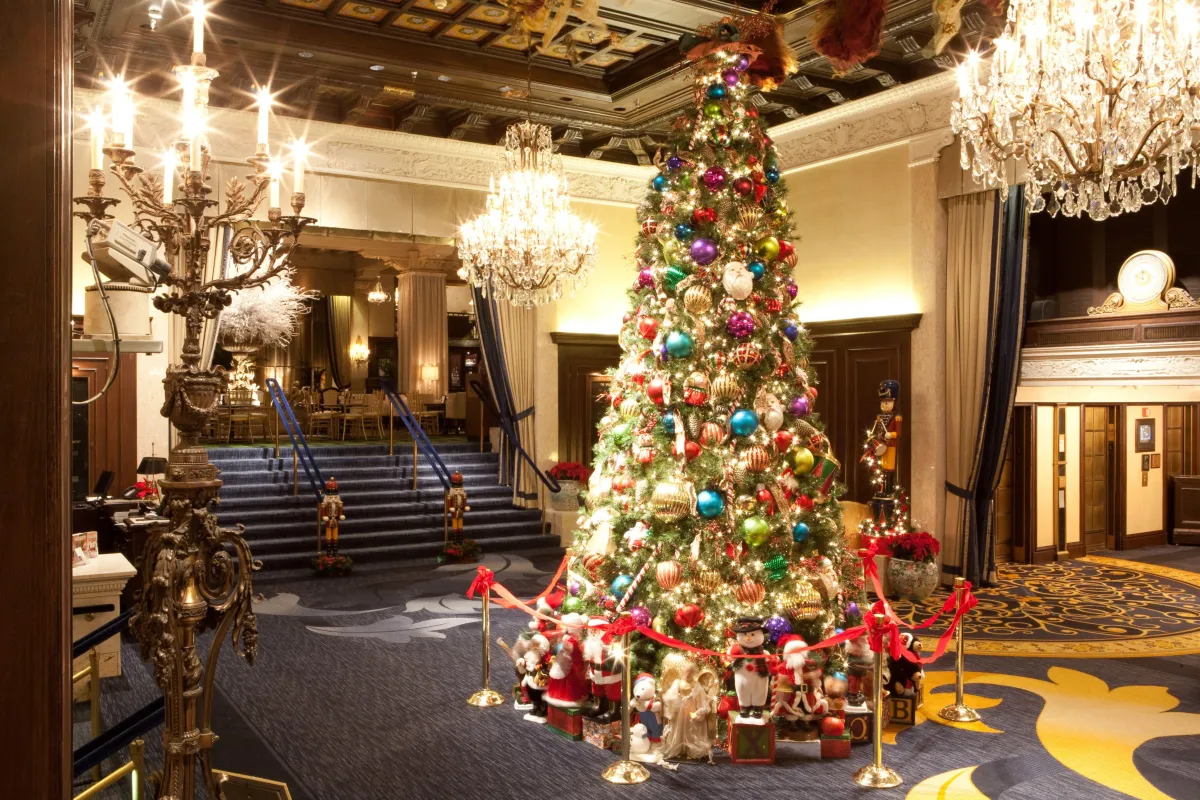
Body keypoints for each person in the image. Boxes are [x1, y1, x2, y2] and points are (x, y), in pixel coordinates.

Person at [319, 477, 344, 555]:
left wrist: (340, 515)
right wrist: (323, 516)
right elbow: (323, 508)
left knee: (335, 536)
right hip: (329, 520)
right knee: (329, 536)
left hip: (335, 519)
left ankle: (335, 550)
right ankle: (329, 551)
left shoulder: (337, 498)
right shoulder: (326, 498)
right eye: (331, 490)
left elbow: (340, 507)